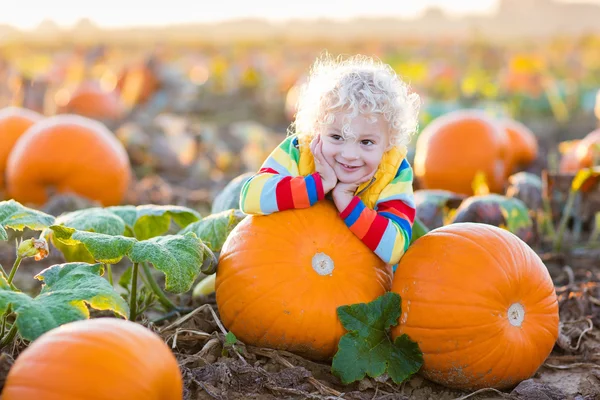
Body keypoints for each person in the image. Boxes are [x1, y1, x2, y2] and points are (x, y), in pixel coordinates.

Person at [239, 53, 420, 269]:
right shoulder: (299, 150)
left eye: (366, 142)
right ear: (317, 130)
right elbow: (250, 198)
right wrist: (319, 183)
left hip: (357, 277)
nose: (350, 154)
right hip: (291, 262)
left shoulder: (395, 171)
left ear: (389, 143)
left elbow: (394, 249)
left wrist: (346, 201)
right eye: (336, 137)